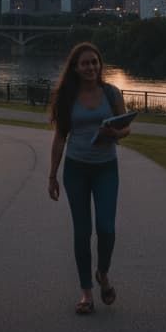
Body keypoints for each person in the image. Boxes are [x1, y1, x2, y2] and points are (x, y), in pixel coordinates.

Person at [47, 42, 129, 314]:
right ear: (75, 67)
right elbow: (60, 137)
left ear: (100, 65)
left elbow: (125, 127)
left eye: (94, 62)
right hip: (76, 169)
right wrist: (52, 174)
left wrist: (114, 134)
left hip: (106, 168)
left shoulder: (111, 93)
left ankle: (102, 273)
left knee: (106, 228)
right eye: (85, 63)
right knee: (82, 232)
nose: (91, 67)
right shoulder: (67, 97)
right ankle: (86, 293)